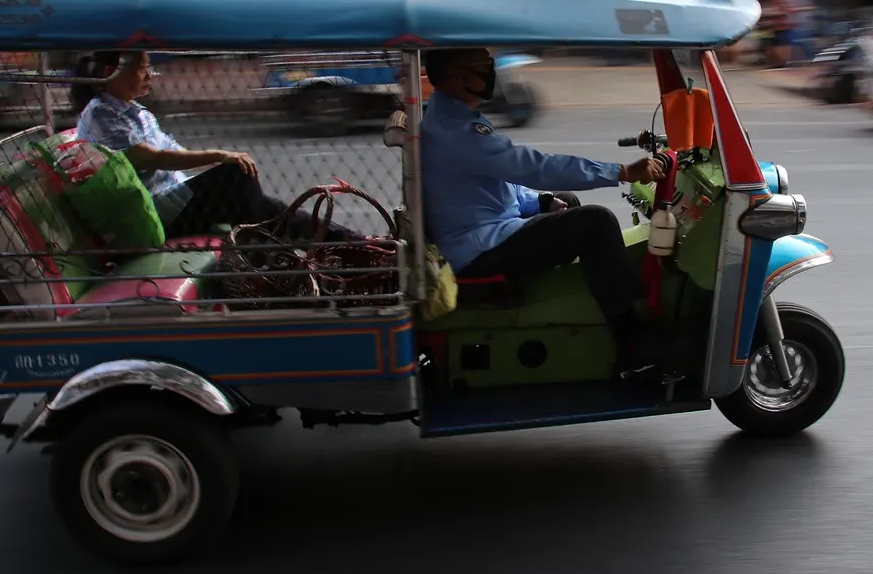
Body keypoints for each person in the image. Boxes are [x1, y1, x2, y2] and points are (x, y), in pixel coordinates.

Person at [419, 48, 671, 377]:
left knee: (565, 201)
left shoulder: (449, 119)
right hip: (478, 248)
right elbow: (533, 167)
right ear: (456, 77)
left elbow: (495, 184)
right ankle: (634, 345)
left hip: (480, 230)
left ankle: (589, 306)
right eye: (484, 68)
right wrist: (621, 171)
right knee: (597, 222)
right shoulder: (458, 133)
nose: (491, 74)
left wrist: (541, 201)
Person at [72, 50, 364, 242]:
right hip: (156, 213)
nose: (150, 76)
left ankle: (350, 242)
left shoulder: (138, 112)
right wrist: (221, 157)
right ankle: (266, 255)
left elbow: (176, 154)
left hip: (176, 199)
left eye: (150, 69)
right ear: (110, 72)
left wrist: (214, 164)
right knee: (238, 178)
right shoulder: (101, 113)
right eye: (141, 69)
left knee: (267, 206)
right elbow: (148, 157)